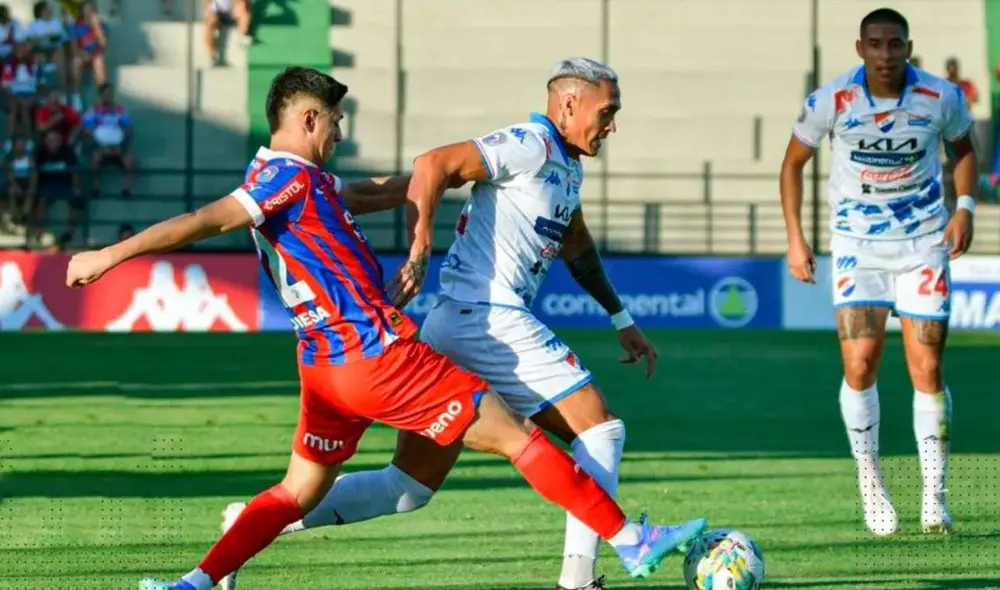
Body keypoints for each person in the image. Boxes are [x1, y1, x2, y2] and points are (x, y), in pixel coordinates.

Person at [64, 66, 706, 590]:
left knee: (303, 493)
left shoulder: (310, 183)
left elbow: (377, 189)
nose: (340, 133)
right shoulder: (281, 180)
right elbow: (204, 221)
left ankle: (191, 585)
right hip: (379, 356)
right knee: (518, 438)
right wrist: (108, 256)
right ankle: (628, 541)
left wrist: (450, 185)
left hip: (323, 370)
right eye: (335, 122)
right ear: (308, 119)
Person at [220, 57, 662, 590]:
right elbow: (433, 164)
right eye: (607, 111)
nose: (612, 125)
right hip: (489, 315)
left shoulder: (566, 167)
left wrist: (620, 316)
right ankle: (580, 578)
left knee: (405, 487)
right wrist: (420, 241)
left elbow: (578, 247)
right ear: (569, 104)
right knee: (600, 428)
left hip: (461, 323)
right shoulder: (528, 143)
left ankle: (251, 523)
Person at [780, 8, 976, 537]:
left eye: (894, 44)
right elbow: (792, 163)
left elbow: (963, 150)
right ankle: (871, 486)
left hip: (922, 245)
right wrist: (796, 238)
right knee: (860, 364)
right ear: (859, 47)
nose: (885, 54)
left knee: (927, 369)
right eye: (875, 44)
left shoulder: (941, 96)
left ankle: (934, 497)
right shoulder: (832, 100)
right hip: (858, 249)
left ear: (908, 46)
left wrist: (966, 208)